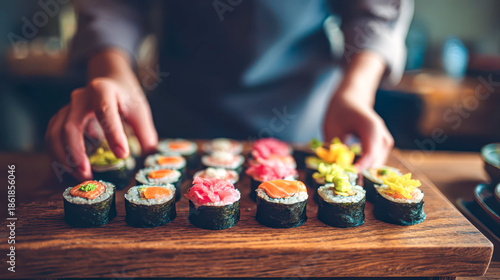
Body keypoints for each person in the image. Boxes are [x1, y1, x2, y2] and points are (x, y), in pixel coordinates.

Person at [45, 0, 413, 180]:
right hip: (177, 116)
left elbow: (372, 12)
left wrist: (355, 93)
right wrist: (112, 72)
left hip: (305, 120)